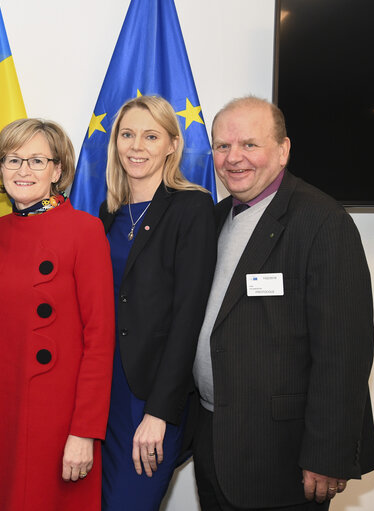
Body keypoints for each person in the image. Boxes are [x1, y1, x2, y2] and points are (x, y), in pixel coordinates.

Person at [192, 96, 374, 510]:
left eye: (249, 145)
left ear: (283, 150)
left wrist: (327, 456)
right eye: (222, 146)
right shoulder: (217, 217)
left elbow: (344, 353)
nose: (233, 158)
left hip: (282, 458)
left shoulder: (322, 222)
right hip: (214, 441)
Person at [0, 119, 115, 511]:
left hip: (59, 420)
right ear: (0, 168)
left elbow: (100, 340)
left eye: (36, 160)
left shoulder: (86, 230)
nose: (23, 171)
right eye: (12, 160)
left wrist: (84, 432)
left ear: (58, 169)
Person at [98, 95, 216, 510]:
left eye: (151, 136)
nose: (136, 146)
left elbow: (189, 317)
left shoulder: (192, 208)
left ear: (172, 145)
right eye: (127, 135)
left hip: (149, 397)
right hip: (102, 392)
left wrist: (159, 413)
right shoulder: (107, 214)